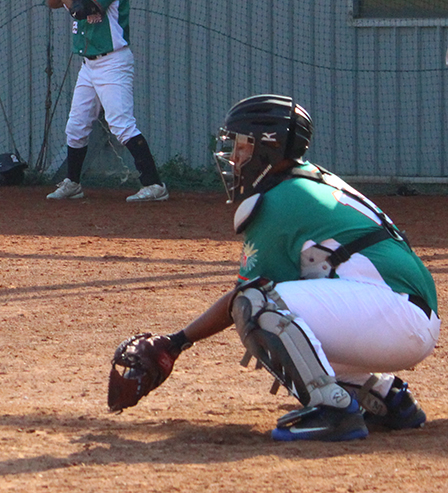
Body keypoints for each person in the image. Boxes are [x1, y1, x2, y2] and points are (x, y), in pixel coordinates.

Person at [107, 94, 439, 441]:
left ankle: (334, 409)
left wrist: (175, 343)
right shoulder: (306, 179)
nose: (234, 156)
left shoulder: (278, 199)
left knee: (258, 307)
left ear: (268, 148)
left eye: (242, 145)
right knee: (288, 330)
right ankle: (382, 397)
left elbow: (245, 298)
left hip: (395, 314)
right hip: (402, 313)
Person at [39, 0, 167, 202]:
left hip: (113, 62)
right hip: (89, 64)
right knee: (76, 126)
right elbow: (52, 3)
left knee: (121, 124)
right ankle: (73, 183)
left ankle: (154, 185)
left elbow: (80, 9)